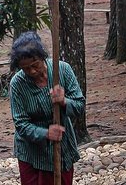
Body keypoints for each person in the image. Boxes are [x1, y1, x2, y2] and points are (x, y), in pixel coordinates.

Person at [9, 31, 85, 185]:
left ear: (42, 56)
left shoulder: (62, 70)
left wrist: (64, 101)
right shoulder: (17, 84)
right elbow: (21, 124)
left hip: (61, 146)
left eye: (34, 65)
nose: (32, 71)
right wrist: (45, 133)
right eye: (25, 68)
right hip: (31, 151)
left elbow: (79, 106)